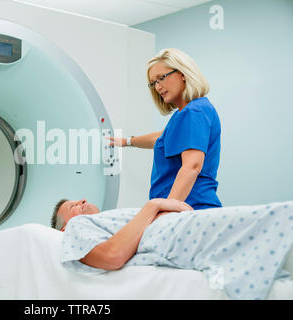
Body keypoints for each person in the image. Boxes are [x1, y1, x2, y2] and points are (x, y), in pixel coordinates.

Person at [109, 48, 222, 210]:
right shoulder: (187, 114)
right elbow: (162, 138)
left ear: (183, 74)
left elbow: (192, 166)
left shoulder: (194, 112)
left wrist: (166, 211)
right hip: (184, 206)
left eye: (161, 78)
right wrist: (127, 141)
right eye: (153, 83)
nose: (158, 87)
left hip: (189, 207)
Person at [51, 198, 192, 270]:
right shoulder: (75, 227)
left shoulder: (108, 222)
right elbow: (113, 255)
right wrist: (154, 205)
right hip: (185, 234)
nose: (82, 200)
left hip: (185, 225)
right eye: (73, 206)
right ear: (65, 229)